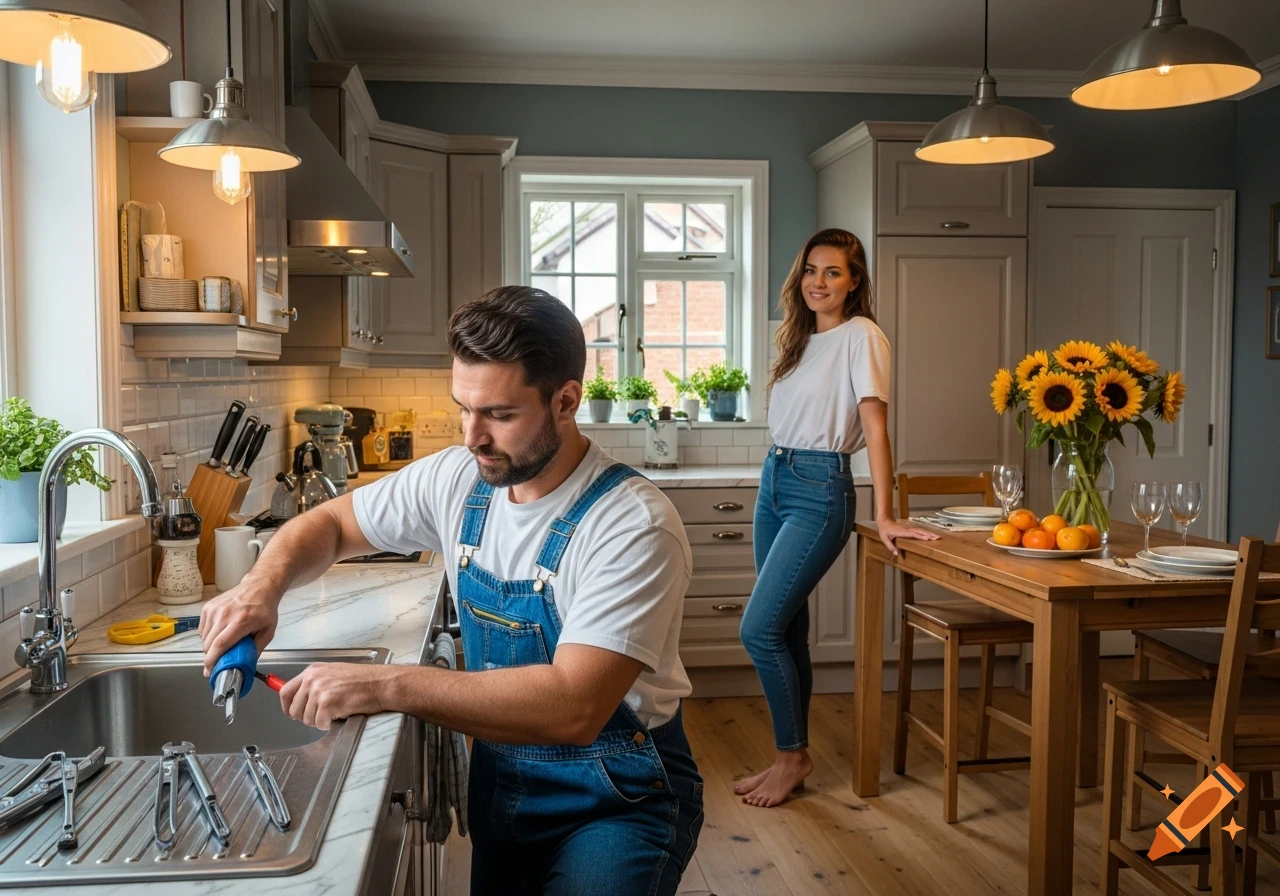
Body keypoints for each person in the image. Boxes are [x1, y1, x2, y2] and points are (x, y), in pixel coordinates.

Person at [199, 286, 703, 894]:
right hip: (506, 788)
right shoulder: (460, 479)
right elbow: (329, 524)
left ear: (566, 401)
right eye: (463, 407)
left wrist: (385, 685)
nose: (472, 436)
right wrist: (261, 588)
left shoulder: (631, 525)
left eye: (499, 414)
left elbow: (575, 706)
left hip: (618, 800)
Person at [735, 228, 939, 808]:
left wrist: (886, 514)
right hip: (775, 479)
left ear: (854, 282)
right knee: (786, 626)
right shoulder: (799, 343)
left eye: (833, 273)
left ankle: (790, 756)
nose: (818, 283)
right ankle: (790, 754)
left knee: (758, 628)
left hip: (821, 488)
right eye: (810, 271)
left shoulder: (863, 336)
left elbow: (875, 427)